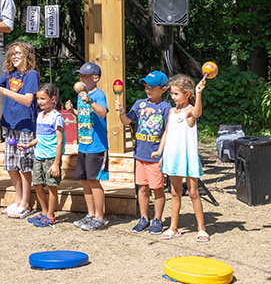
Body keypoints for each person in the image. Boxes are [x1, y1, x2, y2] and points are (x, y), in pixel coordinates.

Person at [152, 74, 209, 242]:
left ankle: (201, 229)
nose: (173, 96)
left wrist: (199, 93)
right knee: (175, 192)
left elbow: (197, 113)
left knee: (193, 192)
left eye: (176, 94)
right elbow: (167, 133)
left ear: (187, 95)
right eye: (172, 93)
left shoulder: (189, 111)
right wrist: (160, 152)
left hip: (188, 157)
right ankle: (173, 228)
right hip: (172, 157)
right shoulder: (171, 111)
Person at [0, 42, 39, 219]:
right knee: (11, 166)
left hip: (25, 126)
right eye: (13, 54)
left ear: (27, 56)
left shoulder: (31, 75)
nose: (15, 56)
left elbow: (27, 100)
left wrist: (4, 91)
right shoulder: (10, 73)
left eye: (19, 54)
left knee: (24, 167)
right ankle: (18, 201)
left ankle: (26, 203)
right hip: (9, 125)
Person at [116, 70, 170, 234]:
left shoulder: (165, 107)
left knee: (157, 188)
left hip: (155, 157)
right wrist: (122, 112)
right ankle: (144, 218)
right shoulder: (139, 104)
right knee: (142, 188)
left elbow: (168, 132)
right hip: (139, 155)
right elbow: (127, 121)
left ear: (163, 89)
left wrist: (162, 155)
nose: (148, 90)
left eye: (152, 87)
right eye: (146, 86)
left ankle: (158, 219)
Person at [65, 62, 110, 232]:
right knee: (84, 181)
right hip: (83, 145)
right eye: (80, 76)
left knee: (94, 181)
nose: (81, 79)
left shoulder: (98, 95)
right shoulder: (81, 95)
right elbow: (85, 117)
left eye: (85, 76)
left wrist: (89, 100)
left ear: (95, 78)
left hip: (97, 146)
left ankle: (100, 217)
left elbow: (103, 113)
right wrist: (72, 111)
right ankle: (90, 214)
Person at [20, 83, 65, 227]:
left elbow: (60, 141)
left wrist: (56, 163)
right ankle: (45, 212)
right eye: (38, 98)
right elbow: (40, 137)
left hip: (51, 158)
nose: (39, 101)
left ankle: (51, 216)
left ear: (53, 99)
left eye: (43, 98)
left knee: (51, 186)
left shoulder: (57, 117)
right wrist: (28, 145)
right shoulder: (40, 116)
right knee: (37, 184)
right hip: (38, 156)